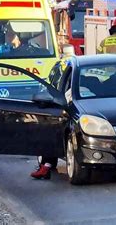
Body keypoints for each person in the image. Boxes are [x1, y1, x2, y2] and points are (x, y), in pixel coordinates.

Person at [30, 44, 76, 180]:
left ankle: (46, 166)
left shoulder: (62, 66)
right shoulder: (67, 68)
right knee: (49, 131)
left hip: (68, 110)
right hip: (63, 108)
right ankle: (46, 166)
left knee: (49, 132)